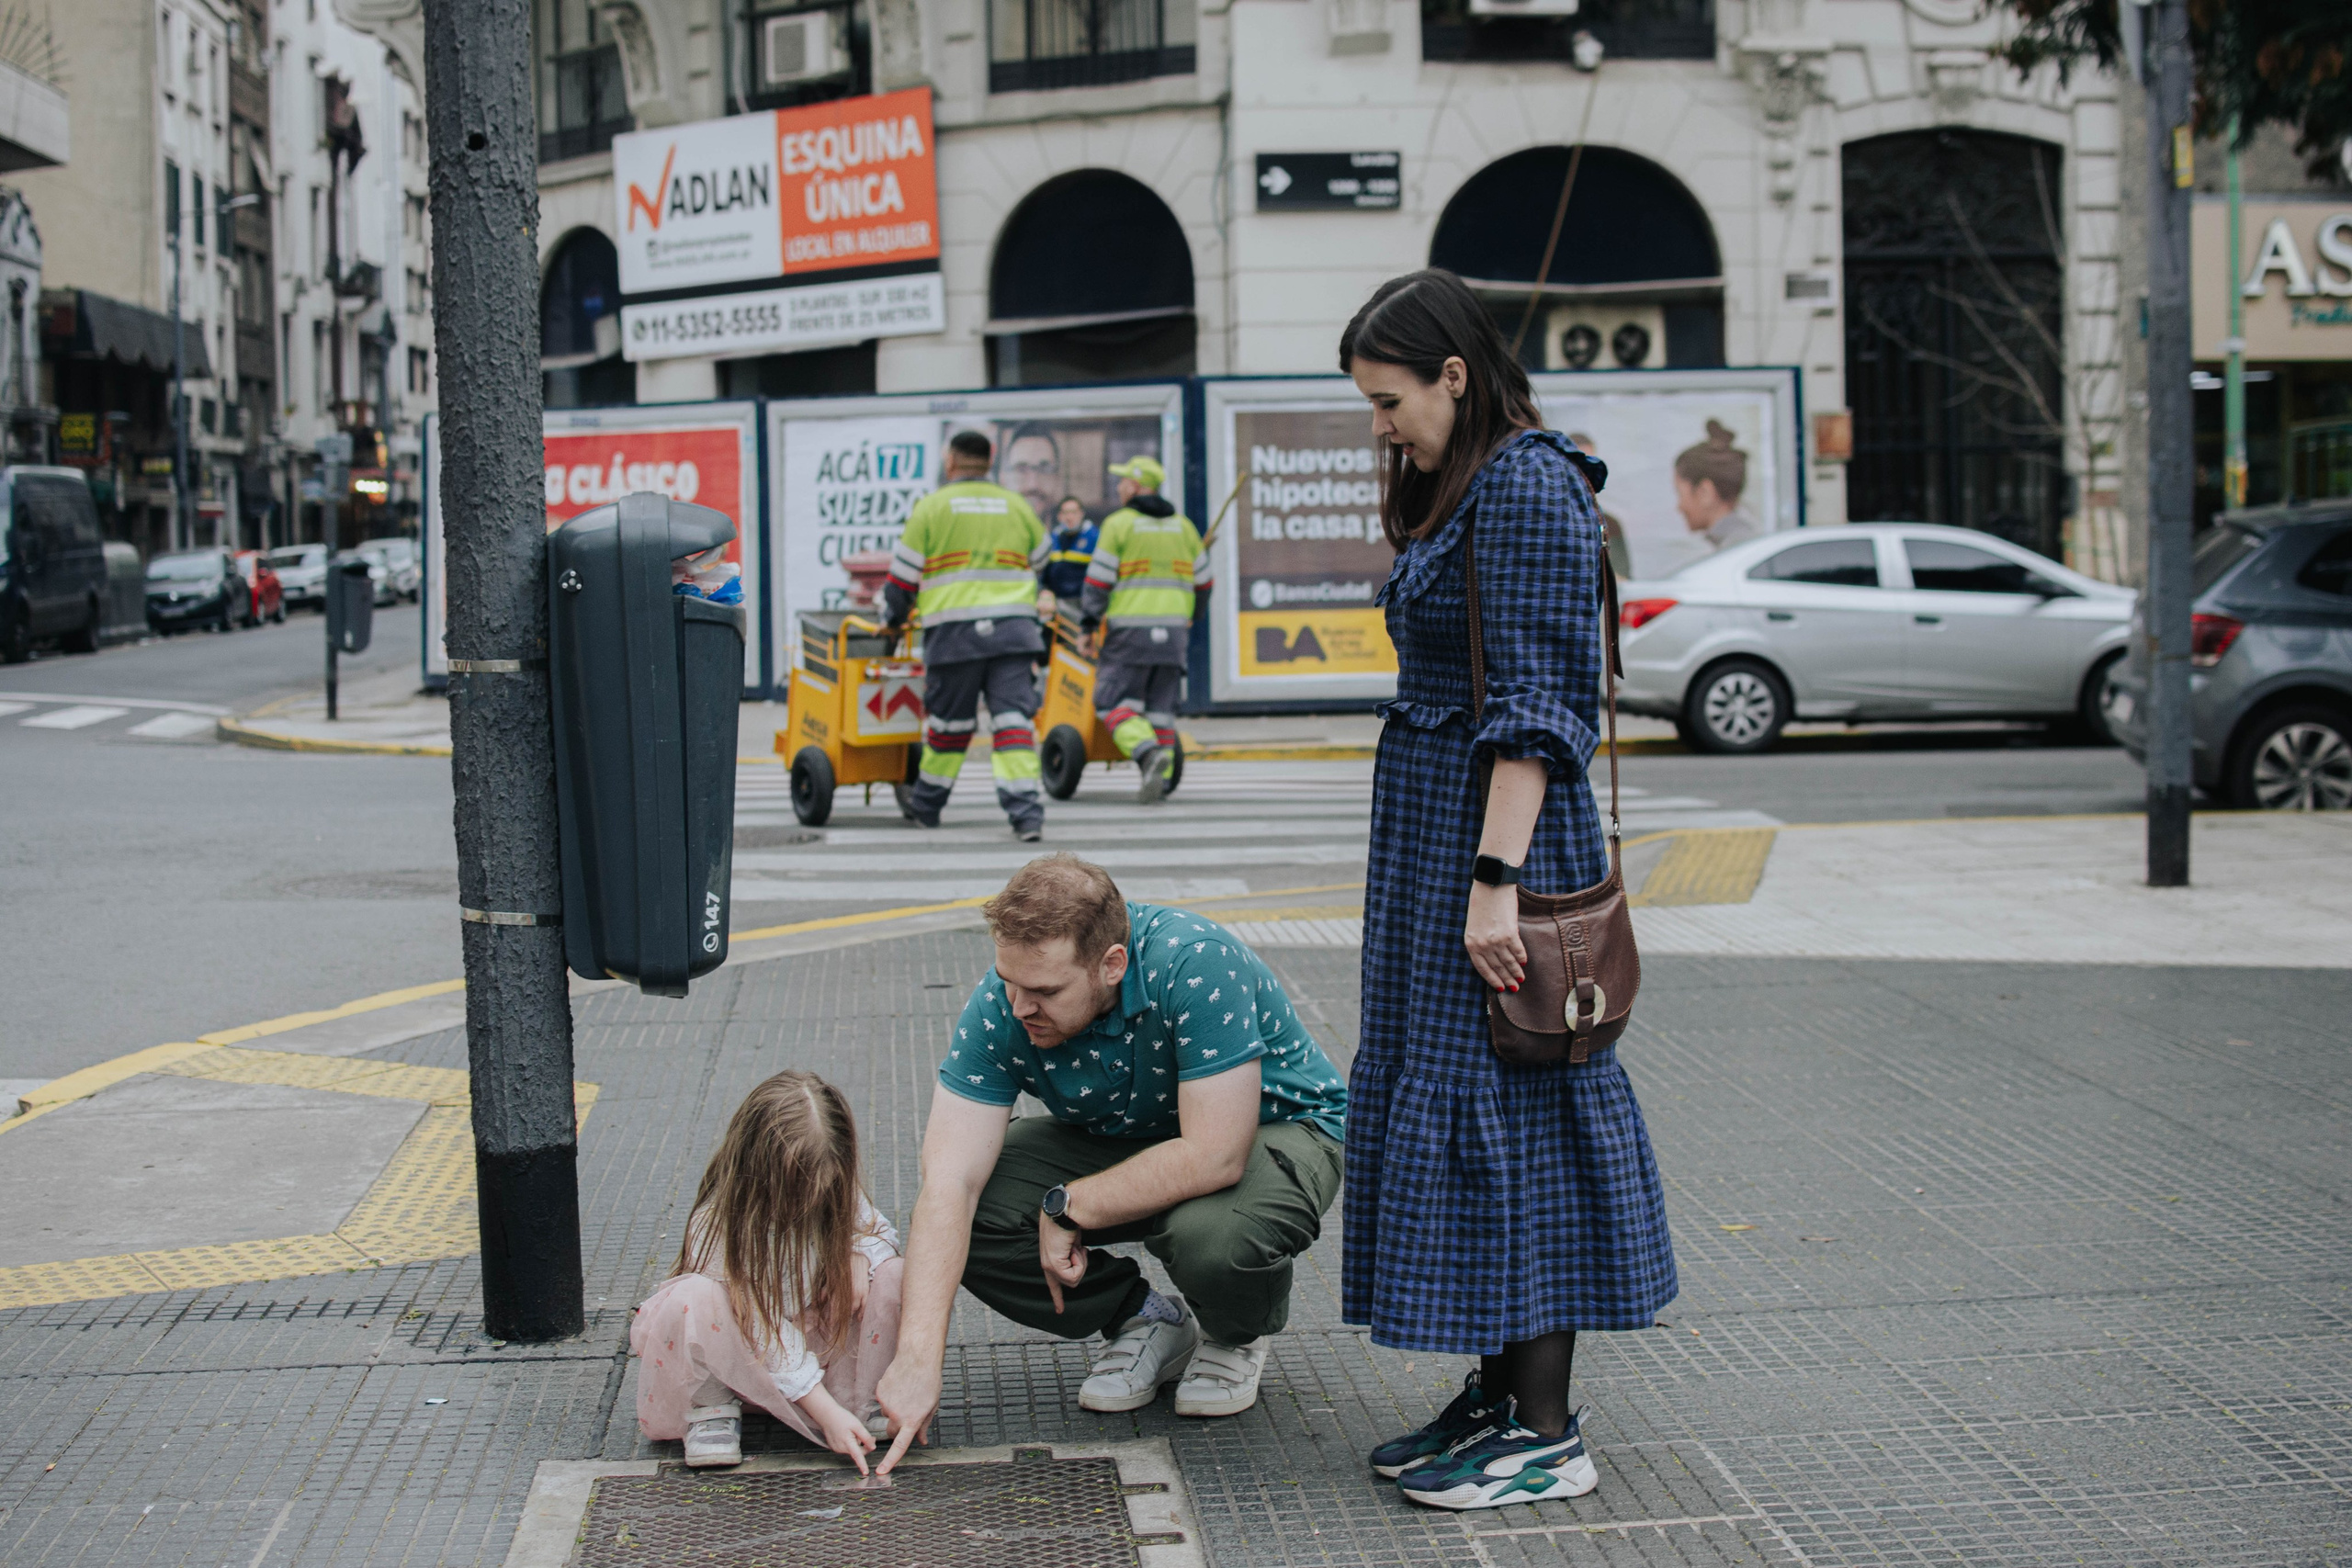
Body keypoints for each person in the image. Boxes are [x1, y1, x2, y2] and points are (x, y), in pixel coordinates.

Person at [1337, 269, 1678, 1511]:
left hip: (1495, 849)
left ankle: (1544, 1430)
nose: (1382, 428)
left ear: (1455, 374)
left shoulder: (1529, 484)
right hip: (1442, 839)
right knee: (1471, 1099)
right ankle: (1496, 1399)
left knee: (1518, 1111)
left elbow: (1538, 710)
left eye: (1390, 402)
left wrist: (1493, 885)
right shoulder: (1470, 481)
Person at [872, 854, 1346, 1471]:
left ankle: (1234, 1332)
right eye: (1009, 980)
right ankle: (1145, 1318)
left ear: (1112, 964)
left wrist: (1071, 1205)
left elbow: (1215, 1154)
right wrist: (916, 1359)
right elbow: (948, 1182)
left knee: (1211, 1236)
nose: (1019, 1006)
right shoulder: (1005, 1002)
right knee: (972, 1210)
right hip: (1129, 1133)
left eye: (1046, 991)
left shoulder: (1196, 962)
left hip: (1267, 1130)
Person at [629, 1070, 904, 1472]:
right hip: (747, 1359)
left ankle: (864, 1400)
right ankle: (711, 1411)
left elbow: (878, 1231)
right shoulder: (716, 1223)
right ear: (757, 1173)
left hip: (815, 1358)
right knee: (694, 1298)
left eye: (824, 1189)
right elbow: (762, 1327)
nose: (810, 1204)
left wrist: (858, 1253)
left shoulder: (834, 1184)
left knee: (894, 1272)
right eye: (796, 1193)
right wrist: (824, 1412)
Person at [884, 430, 1051, 839]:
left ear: (951, 461)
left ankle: (926, 807)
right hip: (1013, 632)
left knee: (949, 726)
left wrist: (893, 621)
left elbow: (902, 579)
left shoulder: (932, 507)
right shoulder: (1016, 505)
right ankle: (1026, 815)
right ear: (991, 461)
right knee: (1013, 723)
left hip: (954, 635)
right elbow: (1043, 557)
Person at [1080, 455, 1211, 803]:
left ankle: (1147, 752)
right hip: (1174, 634)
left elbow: (1098, 581)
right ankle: (1162, 782)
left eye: (1123, 481)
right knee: (1160, 711)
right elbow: (1204, 583)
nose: (1119, 487)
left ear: (1136, 487)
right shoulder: (1184, 527)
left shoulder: (1119, 525)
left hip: (1130, 633)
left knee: (1110, 702)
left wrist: (1088, 625)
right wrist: (1192, 616)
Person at [1672, 419, 1758, 551]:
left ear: (1705, 492)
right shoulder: (1741, 542)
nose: (1679, 507)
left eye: (1680, 494)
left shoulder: (1735, 549)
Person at [1039, 496, 1098, 606]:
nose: (1069, 517)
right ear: (1059, 516)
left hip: (1085, 604)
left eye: (1073, 512)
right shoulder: (1053, 539)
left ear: (1081, 514)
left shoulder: (1094, 537)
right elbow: (1044, 575)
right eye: (1065, 513)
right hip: (1056, 604)